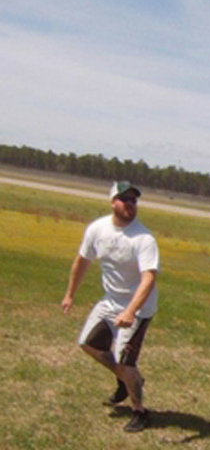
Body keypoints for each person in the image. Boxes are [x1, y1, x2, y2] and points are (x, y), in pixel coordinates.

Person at [61, 181, 160, 434]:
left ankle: (140, 411)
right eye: (124, 199)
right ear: (112, 202)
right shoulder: (98, 229)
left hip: (138, 306)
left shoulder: (144, 238)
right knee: (88, 343)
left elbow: (149, 278)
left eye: (134, 200)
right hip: (110, 300)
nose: (130, 204)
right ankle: (125, 378)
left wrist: (130, 312)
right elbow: (82, 261)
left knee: (127, 362)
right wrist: (70, 294)